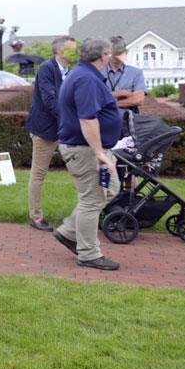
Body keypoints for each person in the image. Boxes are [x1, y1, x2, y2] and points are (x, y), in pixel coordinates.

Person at [53, 38, 123, 271]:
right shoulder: (86, 79)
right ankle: (89, 253)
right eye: (109, 54)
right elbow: (87, 118)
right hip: (85, 150)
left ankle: (69, 232)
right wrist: (99, 153)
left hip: (87, 148)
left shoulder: (82, 74)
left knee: (110, 189)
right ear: (103, 56)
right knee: (92, 200)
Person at [23, 36, 76, 231]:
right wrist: (72, 121)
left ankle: (85, 215)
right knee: (39, 173)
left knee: (80, 171)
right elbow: (50, 100)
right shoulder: (47, 68)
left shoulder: (71, 71)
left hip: (65, 129)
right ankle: (36, 217)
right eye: (72, 49)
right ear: (59, 51)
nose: (75, 53)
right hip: (45, 129)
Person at [103, 36, 146, 114]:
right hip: (103, 119)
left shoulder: (136, 73)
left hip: (128, 120)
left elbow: (139, 99)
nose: (117, 58)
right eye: (114, 54)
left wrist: (108, 104)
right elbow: (92, 97)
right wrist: (121, 93)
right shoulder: (97, 72)